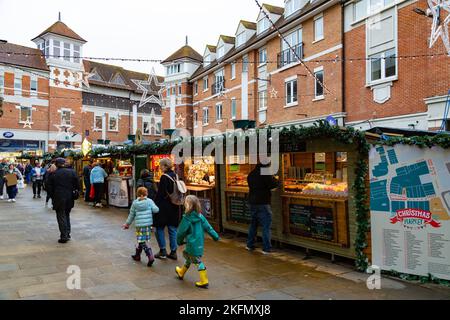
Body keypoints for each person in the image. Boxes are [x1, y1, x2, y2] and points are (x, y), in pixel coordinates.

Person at [175, 195, 220, 289]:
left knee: (197, 261)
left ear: (187, 205)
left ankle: (204, 280)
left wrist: (179, 241)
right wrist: (215, 236)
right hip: (199, 242)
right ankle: (181, 272)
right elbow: (208, 227)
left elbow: (181, 232)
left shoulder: (186, 218)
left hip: (191, 243)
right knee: (189, 257)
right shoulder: (200, 216)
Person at [122, 187, 160, 267]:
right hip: (148, 225)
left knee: (141, 240)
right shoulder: (149, 201)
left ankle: (150, 255)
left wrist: (127, 224)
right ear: (146, 193)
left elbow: (131, 215)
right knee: (142, 240)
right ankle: (137, 255)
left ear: (138, 194)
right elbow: (156, 210)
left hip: (139, 226)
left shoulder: (135, 203)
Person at [246, 163, 279, 254]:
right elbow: (273, 184)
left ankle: (249, 244)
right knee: (266, 225)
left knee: (253, 224)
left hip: (252, 202)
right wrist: (277, 180)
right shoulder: (265, 174)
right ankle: (266, 248)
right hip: (263, 202)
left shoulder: (251, 174)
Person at [47, 158, 80, 243]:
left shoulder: (53, 174)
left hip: (58, 197)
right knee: (67, 215)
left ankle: (64, 236)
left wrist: (52, 196)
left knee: (61, 216)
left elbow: (48, 187)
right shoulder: (72, 172)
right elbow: (77, 184)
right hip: (69, 197)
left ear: (57, 164)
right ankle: (67, 233)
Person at [154, 158, 181, 260]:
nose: (160, 167)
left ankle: (163, 250)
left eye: (161, 165)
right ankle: (173, 252)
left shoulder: (164, 177)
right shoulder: (176, 175)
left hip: (164, 206)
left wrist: (154, 205)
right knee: (172, 228)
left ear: (165, 166)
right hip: (174, 206)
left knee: (159, 227)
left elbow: (160, 194)